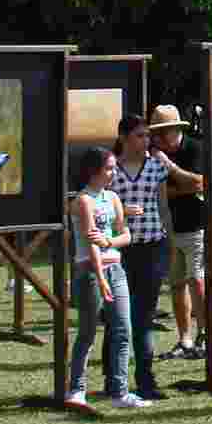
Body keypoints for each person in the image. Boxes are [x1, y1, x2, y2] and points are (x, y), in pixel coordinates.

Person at [111, 107, 206, 398]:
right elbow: (95, 204)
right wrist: (119, 211)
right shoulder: (111, 168)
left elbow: (170, 200)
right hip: (121, 248)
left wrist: (165, 240)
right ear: (125, 138)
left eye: (149, 135)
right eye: (142, 136)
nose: (148, 141)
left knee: (144, 316)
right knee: (119, 316)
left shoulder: (161, 164)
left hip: (158, 243)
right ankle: (114, 378)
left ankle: (146, 379)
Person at [66, 145, 145, 408]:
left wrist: (110, 240)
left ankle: (119, 392)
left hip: (116, 269)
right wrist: (100, 278)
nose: (113, 173)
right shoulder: (83, 201)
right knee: (87, 332)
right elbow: (90, 243)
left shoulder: (112, 198)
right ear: (93, 171)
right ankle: (76, 390)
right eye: (109, 168)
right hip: (90, 271)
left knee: (123, 329)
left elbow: (126, 235)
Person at [152, 110, 209, 362]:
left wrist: (170, 167)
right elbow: (157, 191)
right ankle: (185, 339)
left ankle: (205, 336)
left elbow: (199, 184)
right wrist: (177, 187)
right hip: (169, 228)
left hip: (195, 225)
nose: (156, 139)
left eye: (159, 133)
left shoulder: (195, 148)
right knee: (176, 285)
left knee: (196, 281)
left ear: (173, 130)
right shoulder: (153, 152)